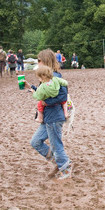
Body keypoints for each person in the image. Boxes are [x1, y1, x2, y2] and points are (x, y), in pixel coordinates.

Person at [30, 49, 72, 180]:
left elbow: (62, 96)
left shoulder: (55, 77)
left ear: (45, 61)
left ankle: (66, 168)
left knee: (56, 144)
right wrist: (31, 88)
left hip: (54, 116)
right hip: (48, 117)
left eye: (39, 60)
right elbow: (44, 93)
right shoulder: (46, 77)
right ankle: (58, 163)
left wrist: (45, 102)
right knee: (35, 142)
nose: (38, 63)